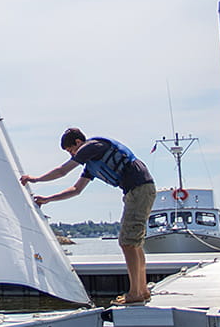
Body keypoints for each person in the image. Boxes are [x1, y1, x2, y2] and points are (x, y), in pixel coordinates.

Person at [21, 128, 156, 305]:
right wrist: (47, 199)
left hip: (139, 189)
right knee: (133, 243)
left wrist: (35, 179)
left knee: (128, 243)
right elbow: (76, 190)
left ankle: (135, 293)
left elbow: (62, 171)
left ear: (78, 143)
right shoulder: (91, 164)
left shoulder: (92, 146)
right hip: (137, 191)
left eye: (71, 150)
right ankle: (142, 290)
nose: (73, 154)